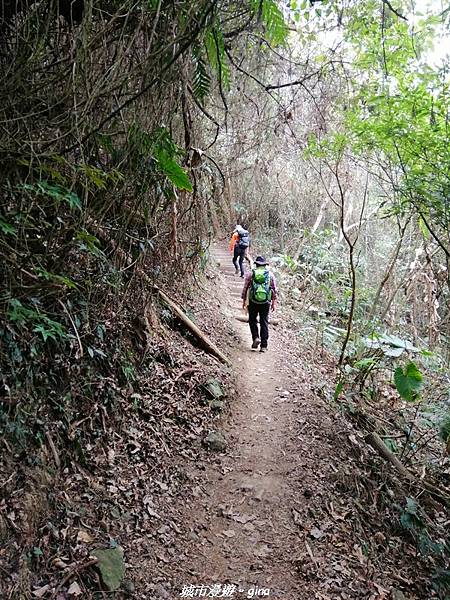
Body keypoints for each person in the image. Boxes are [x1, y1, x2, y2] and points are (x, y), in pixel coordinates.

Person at [241, 256, 278, 353]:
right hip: (265, 302)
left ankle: (256, 337)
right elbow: (274, 289)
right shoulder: (270, 275)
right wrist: (273, 302)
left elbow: (245, 288)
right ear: (265, 265)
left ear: (256, 264)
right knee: (264, 321)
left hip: (253, 300)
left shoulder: (251, 274)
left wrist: (244, 301)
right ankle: (264, 346)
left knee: (252, 320)